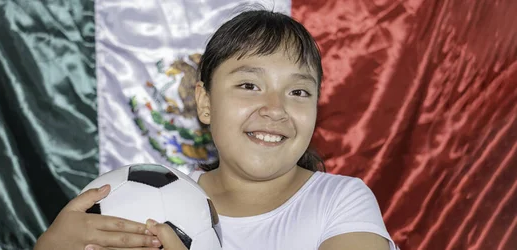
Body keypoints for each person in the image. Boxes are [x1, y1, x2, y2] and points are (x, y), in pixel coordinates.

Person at [34, 9, 397, 250]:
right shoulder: (138, 204)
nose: (275, 108)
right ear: (204, 102)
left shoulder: (340, 201)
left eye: (298, 91)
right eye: (249, 85)